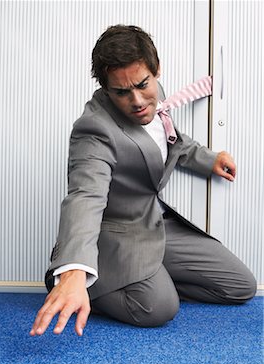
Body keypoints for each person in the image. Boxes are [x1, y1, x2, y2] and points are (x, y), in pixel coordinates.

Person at [30, 25, 257, 337]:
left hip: (156, 223)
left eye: (142, 85)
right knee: (160, 308)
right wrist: (72, 270)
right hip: (119, 236)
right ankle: (78, 284)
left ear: (156, 70)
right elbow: (85, 196)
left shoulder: (154, 95)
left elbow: (170, 137)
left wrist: (209, 159)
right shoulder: (94, 130)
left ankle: (150, 276)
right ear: (106, 88)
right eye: (121, 93)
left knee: (241, 286)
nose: (137, 101)